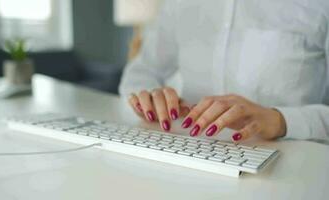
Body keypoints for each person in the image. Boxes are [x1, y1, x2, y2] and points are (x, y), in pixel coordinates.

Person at [119, 0, 329, 142]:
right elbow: (142, 71)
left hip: (293, 163)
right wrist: (151, 101)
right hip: (189, 151)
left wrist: (280, 121)